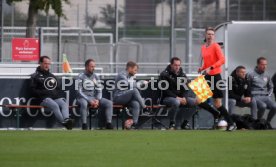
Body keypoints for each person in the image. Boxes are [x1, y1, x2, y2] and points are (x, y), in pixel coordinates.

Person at [160, 57, 221, 130]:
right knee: (176, 102)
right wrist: (177, 97)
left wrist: (184, 98)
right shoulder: (164, 74)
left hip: (181, 98)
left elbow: (186, 88)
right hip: (167, 98)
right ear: (171, 65)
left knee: (196, 102)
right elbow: (165, 90)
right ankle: (172, 124)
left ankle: (185, 123)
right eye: (175, 65)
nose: (177, 67)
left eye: (179, 65)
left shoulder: (182, 74)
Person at [198, 27, 236, 131]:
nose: (210, 36)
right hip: (206, 76)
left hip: (215, 76)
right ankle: (216, 113)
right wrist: (202, 68)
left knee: (217, 103)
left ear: (214, 36)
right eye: (208, 34)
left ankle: (231, 123)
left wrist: (211, 67)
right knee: (198, 100)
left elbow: (222, 60)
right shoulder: (203, 47)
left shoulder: (215, 46)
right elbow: (206, 62)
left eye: (212, 34)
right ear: (205, 35)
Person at [30, 56, 74, 130]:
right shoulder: (35, 76)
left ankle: (67, 120)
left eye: (48, 64)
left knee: (64, 103)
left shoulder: (52, 76)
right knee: (55, 105)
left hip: (53, 98)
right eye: (45, 63)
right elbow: (32, 90)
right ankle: (65, 123)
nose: (47, 65)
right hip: (42, 99)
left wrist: (54, 94)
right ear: (40, 63)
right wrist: (44, 93)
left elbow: (57, 88)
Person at [77, 59, 114, 130]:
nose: (93, 68)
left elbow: (99, 90)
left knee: (109, 103)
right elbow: (79, 91)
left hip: (94, 98)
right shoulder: (80, 76)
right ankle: (84, 124)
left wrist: (97, 99)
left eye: (94, 66)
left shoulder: (96, 76)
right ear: (86, 67)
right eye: (92, 66)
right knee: (84, 104)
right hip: (82, 98)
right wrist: (89, 100)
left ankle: (108, 123)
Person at [113, 61, 146, 129]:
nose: (136, 72)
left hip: (125, 97)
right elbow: (128, 85)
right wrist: (141, 83)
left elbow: (132, 86)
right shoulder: (122, 75)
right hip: (118, 97)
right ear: (130, 68)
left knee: (136, 103)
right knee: (134, 90)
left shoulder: (130, 76)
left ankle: (134, 124)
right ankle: (144, 107)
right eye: (135, 70)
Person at [247, 57, 276, 128]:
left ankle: (267, 122)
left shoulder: (267, 75)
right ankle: (257, 122)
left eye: (266, 64)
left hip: (265, 97)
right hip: (255, 97)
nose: (264, 66)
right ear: (258, 64)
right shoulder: (251, 74)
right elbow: (247, 87)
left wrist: (269, 95)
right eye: (262, 64)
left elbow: (271, 86)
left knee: (275, 106)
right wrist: (250, 96)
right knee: (263, 106)